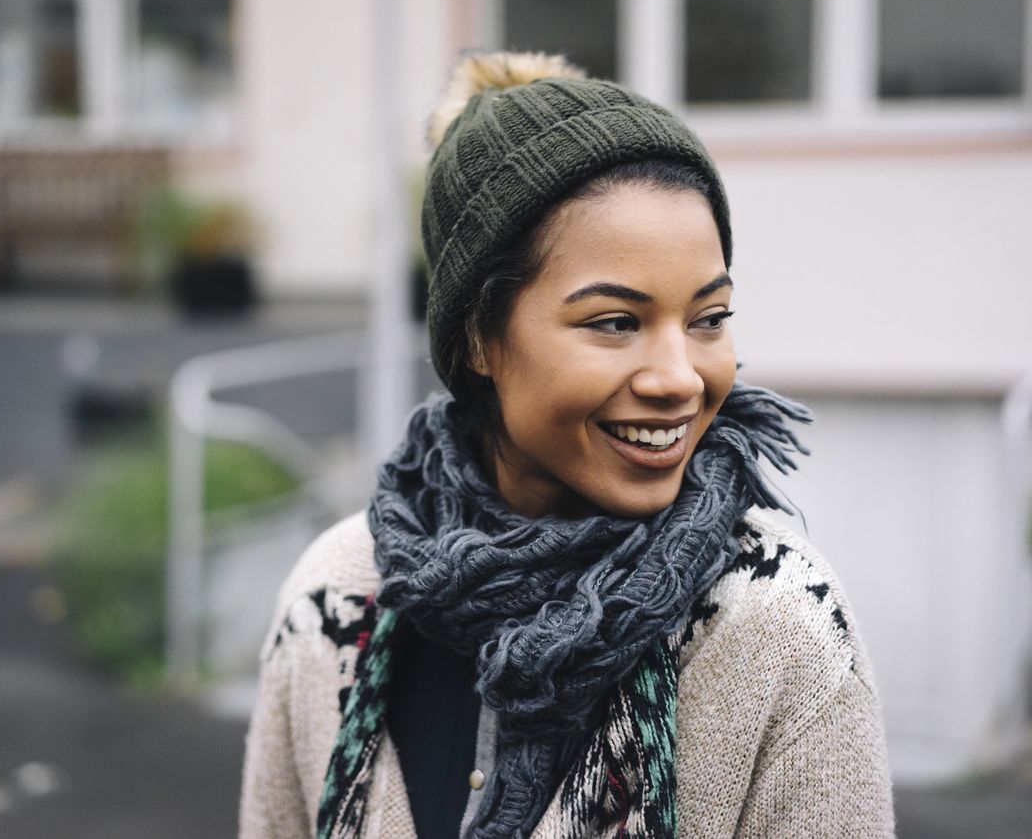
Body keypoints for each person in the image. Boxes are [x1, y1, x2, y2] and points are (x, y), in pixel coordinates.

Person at [240, 51, 894, 839]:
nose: (680, 378)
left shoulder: (776, 626)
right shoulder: (334, 603)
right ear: (479, 338)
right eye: (615, 322)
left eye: (708, 318)